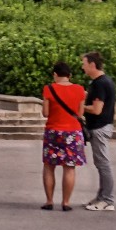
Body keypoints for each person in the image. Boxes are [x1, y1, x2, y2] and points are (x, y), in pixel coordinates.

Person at [40, 60, 88, 210]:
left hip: (53, 131)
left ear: (55, 74)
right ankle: (66, 202)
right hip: (73, 132)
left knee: (49, 166)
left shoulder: (48, 89)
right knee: (69, 167)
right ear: (70, 75)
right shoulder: (80, 90)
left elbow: (45, 113)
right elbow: (80, 113)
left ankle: (49, 201)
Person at [80, 50, 116, 212]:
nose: (82, 67)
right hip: (102, 126)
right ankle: (101, 197)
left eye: (84, 64)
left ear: (92, 64)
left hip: (100, 127)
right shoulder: (101, 82)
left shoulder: (100, 83)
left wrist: (80, 108)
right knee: (101, 163)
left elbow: (96, 110)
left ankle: (107, 200)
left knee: (103, 164)